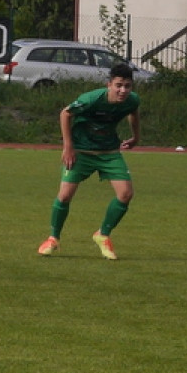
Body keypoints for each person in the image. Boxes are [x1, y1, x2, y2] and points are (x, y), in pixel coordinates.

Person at [37, 63, 140, 260]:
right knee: (65, 195)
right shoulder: (92, 99)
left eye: (127, 86)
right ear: (109, 84)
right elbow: (65, 114)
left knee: (126, 194)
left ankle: (103, 235)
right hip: (81, 152)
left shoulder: (132, 100)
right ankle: (53, 238)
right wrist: (68, 147)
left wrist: (136, 137)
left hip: (109, 152)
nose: (123, 90)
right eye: (119, 85)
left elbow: (134, 114)